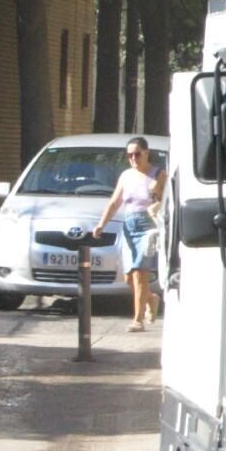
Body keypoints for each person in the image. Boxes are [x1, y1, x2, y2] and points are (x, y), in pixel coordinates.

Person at [93, 136, 164, 330]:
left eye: (137, 154)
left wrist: (156, 200)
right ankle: (151, 298)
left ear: (146, 153)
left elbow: (164, 201)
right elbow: (115, 202)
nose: (133, 158)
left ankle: (138, 320)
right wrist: (101, 224)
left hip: (147, 225)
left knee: (141, 274)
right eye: (130, 155)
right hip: (129, 225)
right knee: (128, 277)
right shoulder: (126, 175)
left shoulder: (158, 174)